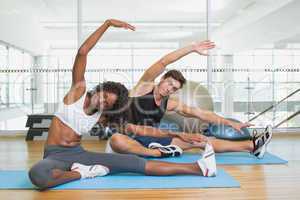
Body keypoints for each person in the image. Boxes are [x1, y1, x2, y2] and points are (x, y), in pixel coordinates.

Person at [28, 19, 217, 190]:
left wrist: (177, 133)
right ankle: (85, 172)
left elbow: (140, 130)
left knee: (135, 164)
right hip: (54, 155)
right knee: (38, 175)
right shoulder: (77, 92)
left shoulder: (102, 115)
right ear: (100, 89)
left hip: (80, 155)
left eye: (107, 104)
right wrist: (107, 24)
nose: (101, 101)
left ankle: (198, 168)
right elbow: (82, 51)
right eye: (103, 96)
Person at [106, 41, 272, 159]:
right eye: (169, 83)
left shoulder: (169, 103)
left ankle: (252, 146)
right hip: (127, 137)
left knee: (199, 140)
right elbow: (164, 61)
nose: (169, 89)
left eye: (174, 88)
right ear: (162, 79)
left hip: (151, 137)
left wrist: (231, 123)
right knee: (121, 140)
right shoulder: (143, 86)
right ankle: (156, 152)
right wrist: (191, 48)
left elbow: (201, 114)